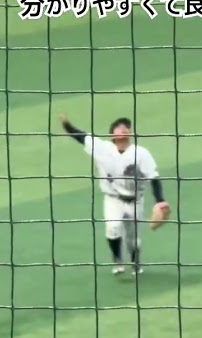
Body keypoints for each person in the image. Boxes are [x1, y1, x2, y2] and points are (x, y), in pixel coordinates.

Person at [58, 113, 171, 275]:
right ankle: (117, 260)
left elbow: (154, 177)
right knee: (113, 228)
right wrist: (67, 125)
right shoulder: (102, 149)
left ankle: (135, 260)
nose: (123, 129)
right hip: (112, 200)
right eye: (119, 127)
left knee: (133, 239)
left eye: (126, 127)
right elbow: (81, 137)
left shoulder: (141, 153)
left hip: (135, 201)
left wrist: (160, 200)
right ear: (112, 135)